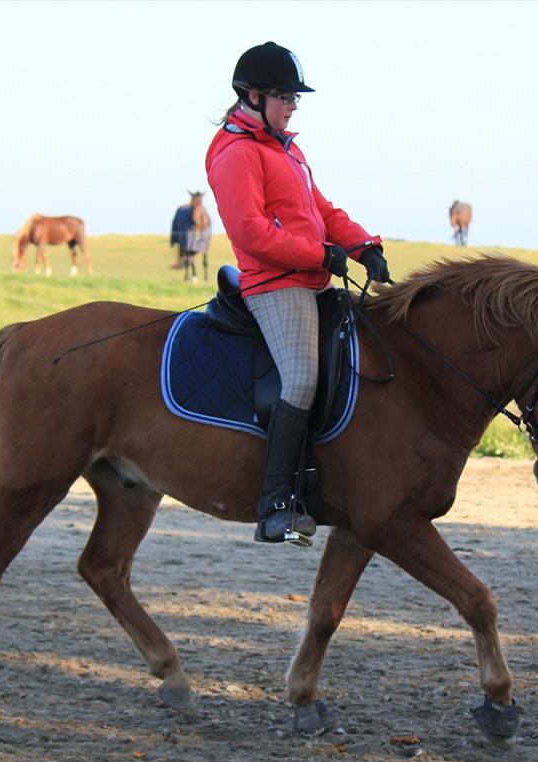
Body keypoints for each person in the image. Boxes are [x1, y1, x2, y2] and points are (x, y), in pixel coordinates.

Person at [204, 41, 391, 546]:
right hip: (274, 285)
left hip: (311, 278)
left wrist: (361, 246)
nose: (291, 106)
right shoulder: (236, 152)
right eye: (285, 97)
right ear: (253, 96)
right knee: (303, 379)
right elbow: (251, 234)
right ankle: (276, 505)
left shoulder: (286, 146)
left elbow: (321, 210)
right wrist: (320, 255)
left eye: (294, 98)